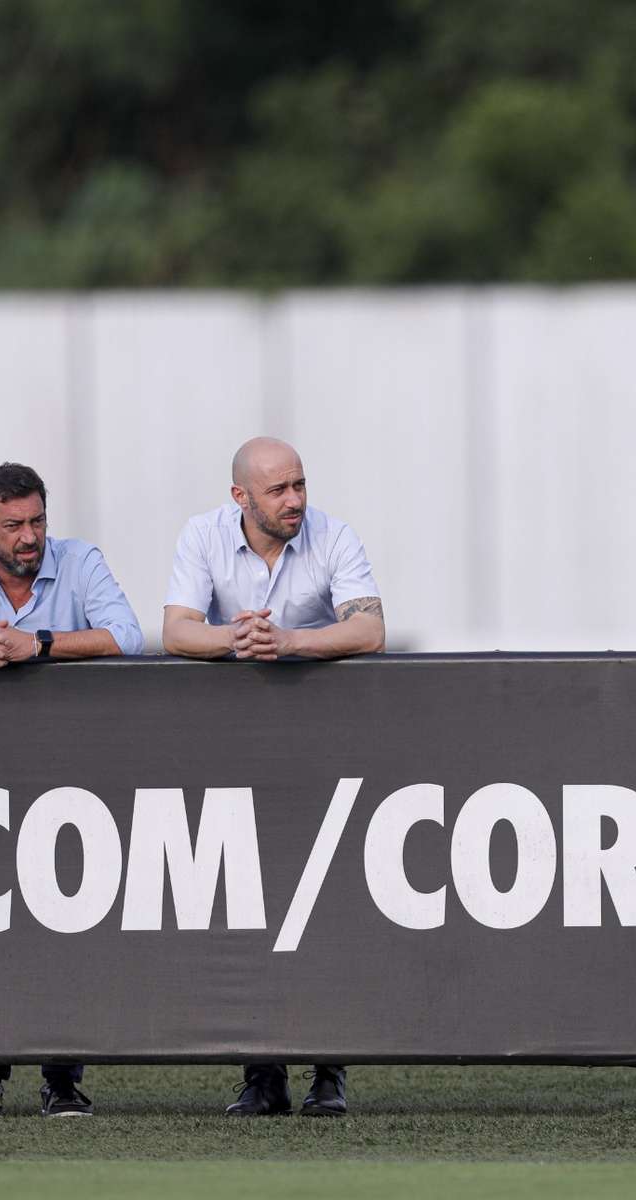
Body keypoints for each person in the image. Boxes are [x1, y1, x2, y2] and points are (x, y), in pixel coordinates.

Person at [162, 436, 384, 1117]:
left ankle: (330, 1071)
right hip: (238, 753)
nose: (295, 500)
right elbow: (176, 631)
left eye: (299, 485)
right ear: (240, 498)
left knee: (330, 908)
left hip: (325, 749)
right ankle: (263, 1075)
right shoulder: (201, 535)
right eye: (278, 490)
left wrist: (287, 642)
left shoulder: (334, 536)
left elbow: (370, 629)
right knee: (249, 907)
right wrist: (238, 637)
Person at [0, 461, 144, 1118]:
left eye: (36, 521)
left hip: (69, 780)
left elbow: (129, 637)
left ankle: (62, 1077)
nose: (28, 538)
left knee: (65, 923)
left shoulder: (78, 561)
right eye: (12, 526)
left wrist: (41, 644)